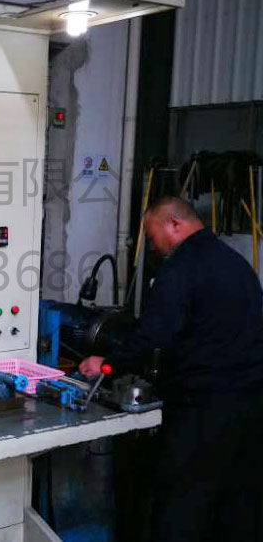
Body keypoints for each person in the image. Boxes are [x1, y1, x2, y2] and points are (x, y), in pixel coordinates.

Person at [80, 195, 263, 542]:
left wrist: (108, 363)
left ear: (174, 224)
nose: (152, 248)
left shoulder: (181, 268)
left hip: (203, 410)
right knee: (237, 505)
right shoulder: (237, 264)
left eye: (152, 238)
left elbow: (154, 335)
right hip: (251, 406)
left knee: (182, 504)